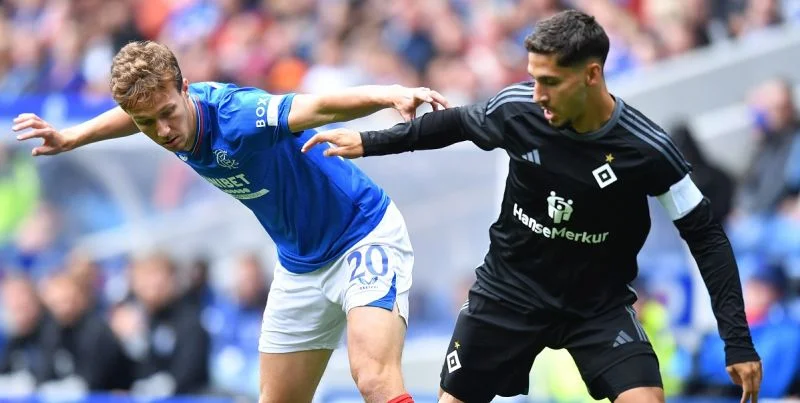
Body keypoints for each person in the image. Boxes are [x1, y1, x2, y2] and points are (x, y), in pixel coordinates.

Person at [301, 9, 763, 403]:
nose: (537, 93)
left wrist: (737, 340)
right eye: (533, 78)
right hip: (509, 293)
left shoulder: (648, 148)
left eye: (550, 82)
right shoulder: (517, 109)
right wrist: (369, 140)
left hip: (597, 306)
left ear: (592, 75)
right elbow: (454, 124)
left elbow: (706, 236)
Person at [12, 40, 450, 403]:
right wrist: (72, 136)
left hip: (361, 235)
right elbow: (133, 114)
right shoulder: (157, 114)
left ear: (185, 89)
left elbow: (318, 106)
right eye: (147, 123)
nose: (163, 131)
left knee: (372, 379)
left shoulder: (238, 115)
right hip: (300, 265)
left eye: (167, 113)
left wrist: (389, 94)